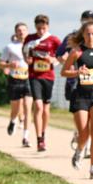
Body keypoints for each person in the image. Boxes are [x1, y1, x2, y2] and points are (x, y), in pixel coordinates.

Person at [61, 20, 93, 179]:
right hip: (81, 95)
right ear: (83, 35)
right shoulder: (76, 52)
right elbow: (63, 72)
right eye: (87, 34)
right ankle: (79, 151)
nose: (90, 36)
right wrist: (78, 72)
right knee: (84, 133)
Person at [57, 10, 93, 157]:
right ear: (81, 21)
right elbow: (59, 55)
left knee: (92, 118)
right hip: (74, 82)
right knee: (80, 113)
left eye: (92, 19)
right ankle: (79, 131)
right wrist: (70, 64)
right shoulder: (70, 37)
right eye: (86, 19)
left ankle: (87, 146)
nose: (89, 21)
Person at [22, 14, 62, 152]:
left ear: (48, 27)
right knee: (38, 106)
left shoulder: (54, 40)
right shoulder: (30, 39)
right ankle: (39, 139)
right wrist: (27, 60)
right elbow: (24, 52)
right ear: (35, 27)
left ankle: (43, 133)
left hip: (49, 76)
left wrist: (54, 61)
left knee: (45, 109)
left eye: (43, 28)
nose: (41, 31)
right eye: (38, 28)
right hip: (34, 76)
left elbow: (62, 56)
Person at [0, 23, 33, 146]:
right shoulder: (9, 47)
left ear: (27, 31)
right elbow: (1, 63)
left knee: (27, 107)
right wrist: (9, 65)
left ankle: (26, 137)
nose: (21, 32)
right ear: (15, 32)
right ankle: (13, 121)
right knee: (16, 108)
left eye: (24, 30)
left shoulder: (33, 45)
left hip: (29, 78)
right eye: (19, 30)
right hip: (15, 78)